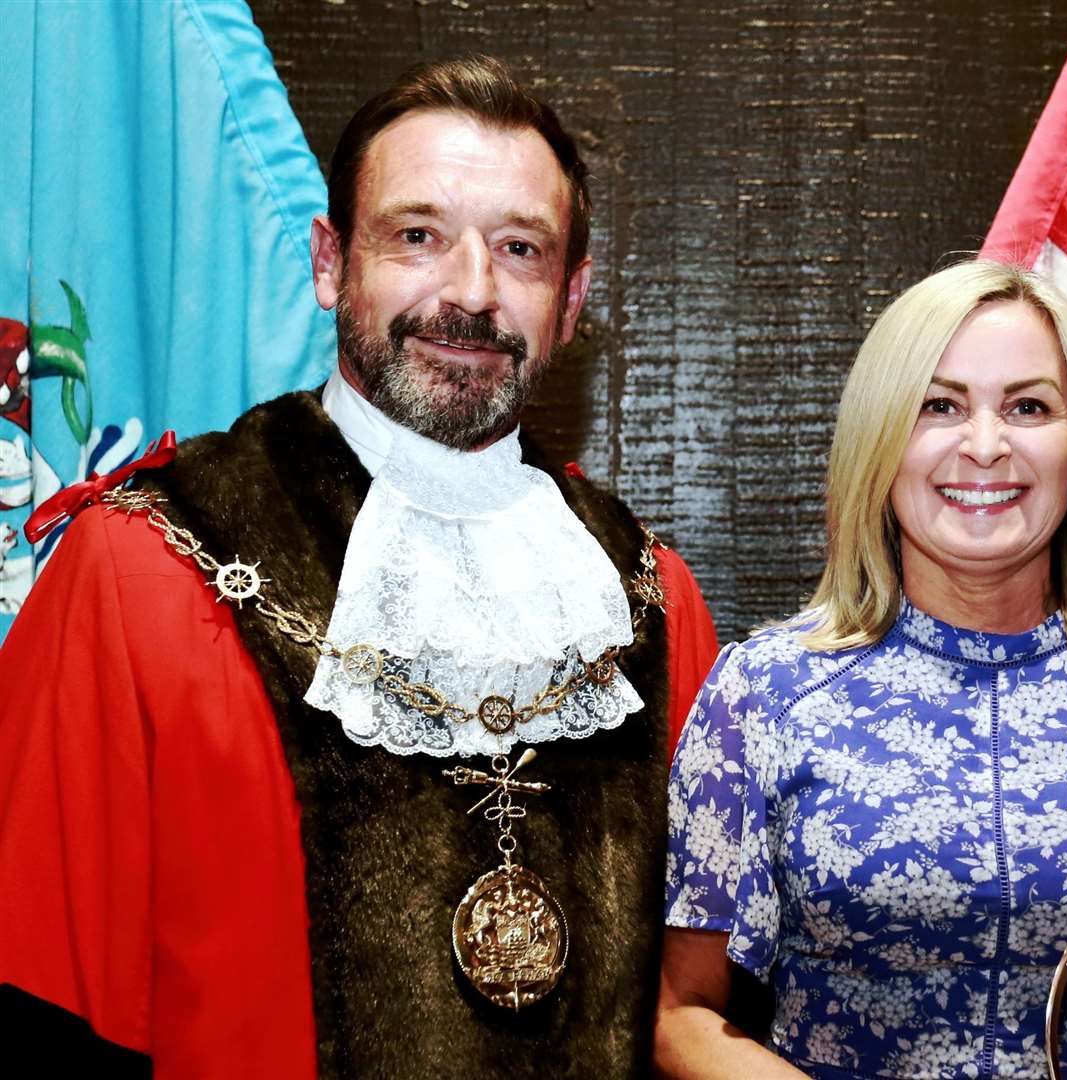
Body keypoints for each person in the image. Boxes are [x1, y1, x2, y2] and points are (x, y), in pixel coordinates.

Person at [0, 56, 719, 1076]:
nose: (469, 293)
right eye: (417, 237)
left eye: (520, 249)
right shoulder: (137, 567)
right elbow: (42, 996)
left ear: (570, 296)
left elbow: (696, 1014)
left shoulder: (649, 601)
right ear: (332, 262)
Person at [654, 260, 1067, 1079]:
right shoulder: (763, 694)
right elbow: (682, 1017)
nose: (985, 445)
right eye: (940, 405)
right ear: (882, 440)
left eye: (1029, 406)